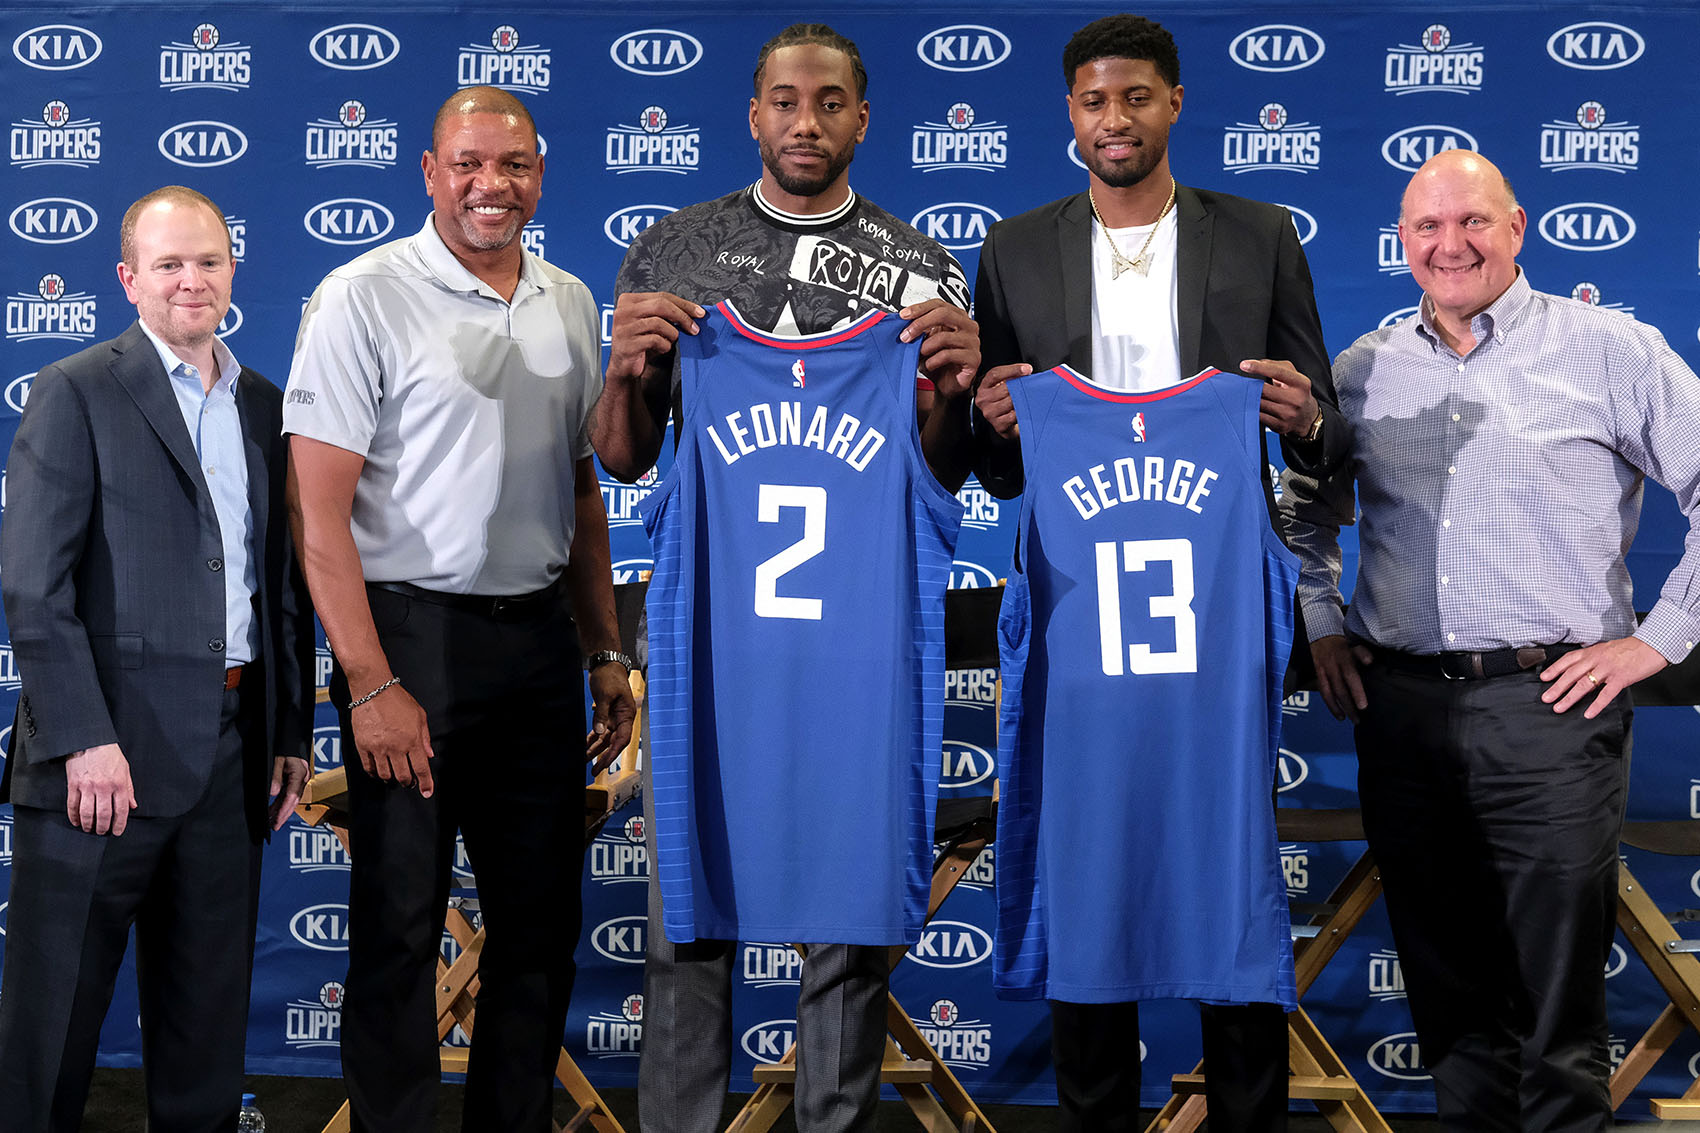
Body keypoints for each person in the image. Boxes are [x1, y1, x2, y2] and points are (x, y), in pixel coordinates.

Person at [934, 14, 1351, 1131]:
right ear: (1067, 114)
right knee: (1085, 856)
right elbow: (1002, 470)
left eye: (1132, 98)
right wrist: (991, 421)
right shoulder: (1014, 247)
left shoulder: (1258, 234)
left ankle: (1247, 1111)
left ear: (1171, 103)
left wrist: (1305, 415)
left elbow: (1322, 435)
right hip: (1074, 607)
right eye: (1089, 101)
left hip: (1212, 604)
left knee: (1224, 846)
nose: (1110, 120)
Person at [590, 24, 979, 1133]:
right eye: (783, 100)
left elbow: (939, 476)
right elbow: (620, 457)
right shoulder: (673, 254)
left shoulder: (920, 275)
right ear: (752, 114)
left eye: (828, 102)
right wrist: (626, 368)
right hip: (715, 658)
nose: (805, 121)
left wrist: (950, 385)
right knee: (689, 926)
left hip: (855, 663)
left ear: (862, 116)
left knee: (846, 933)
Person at [1279, 148, 1700, 1132]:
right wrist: (1321, 620)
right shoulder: (1361, 368)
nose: (1448, 243)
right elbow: (1307, 511)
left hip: (1550, 708)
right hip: (1400, 709)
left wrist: (1658, 638)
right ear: (1400, 241)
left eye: (1471, 221)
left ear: (1517, 228)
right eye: (1425, 227)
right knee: (1446, 1001)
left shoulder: (1609, 349)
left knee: (1554, 1013)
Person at [284, 88, 635, 1133]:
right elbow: (317, 516)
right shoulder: (361, 295)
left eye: (514, 165)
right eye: (470, 164)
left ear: (540, 172)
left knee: (538, 925)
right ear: (429, 172)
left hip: (533, 645)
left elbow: (581, 491)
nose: (493, 185)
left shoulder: (570, 299)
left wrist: (602, 647)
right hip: (408, 642)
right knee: (397, 926)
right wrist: (370, 680)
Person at [0, 186, 312, 1132]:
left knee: (206, 1030)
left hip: (231, 753)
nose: (191, 280)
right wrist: (84, 740)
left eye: (208, 261)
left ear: (232, 272)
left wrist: (288, 727)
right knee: (51, 1028)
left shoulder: (265, 403)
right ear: (130, 278)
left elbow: (281, 582)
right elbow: (33, 587)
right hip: (102, 763)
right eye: (169, 264)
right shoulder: (75, 391)